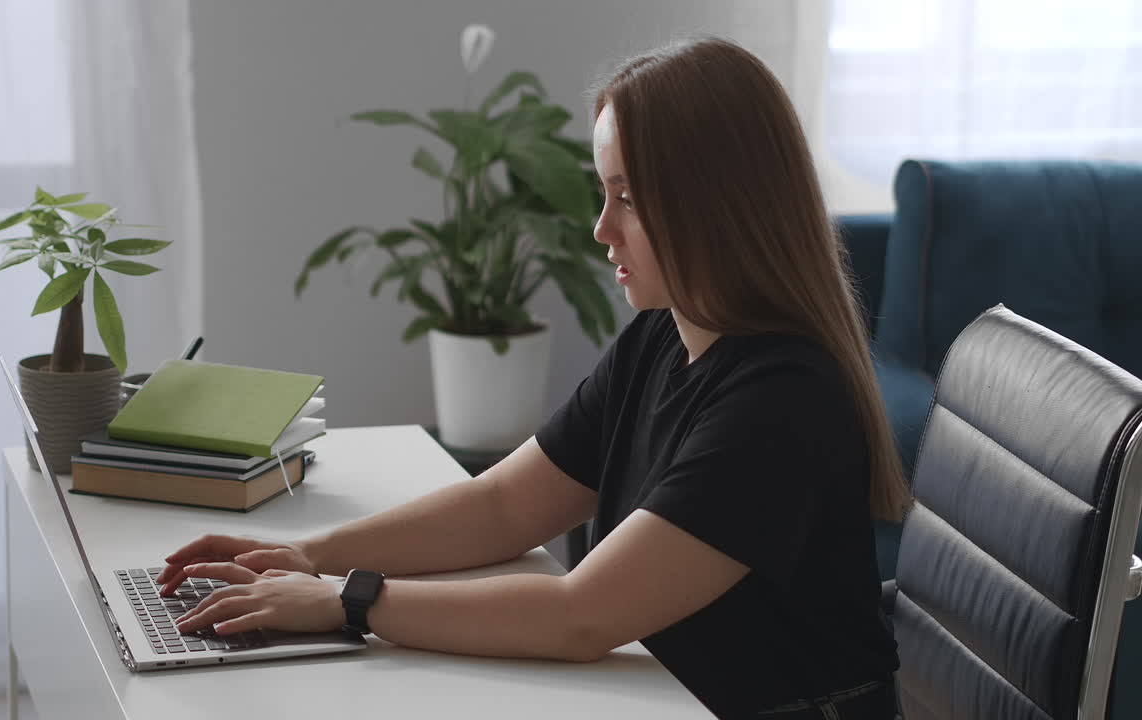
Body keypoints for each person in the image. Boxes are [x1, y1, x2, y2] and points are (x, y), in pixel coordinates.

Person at [155, 36, 910, 719]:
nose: (600, 229)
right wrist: (310, 558)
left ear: (712, 206)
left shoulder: (783, 403)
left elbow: (580, 614)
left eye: (628, 199)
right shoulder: (660, 336)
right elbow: (504, 507)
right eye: (604, 193)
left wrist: (346, 602)